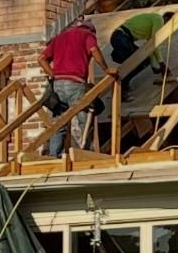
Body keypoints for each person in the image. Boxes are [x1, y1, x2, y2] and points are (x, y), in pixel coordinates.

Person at [37, 20, 119, 157]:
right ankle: (86, 155)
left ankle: (53, 156)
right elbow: (93, 49)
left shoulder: (59, 37)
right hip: (75, 83)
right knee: (84, 120)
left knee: (58, 123)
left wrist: (54, 75)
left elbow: (41, 59)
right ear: (92, 31)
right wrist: (106, 69)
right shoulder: (87, 34)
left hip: (57, 86)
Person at [109, 11, 174, 95]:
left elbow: (150, 47)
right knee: (138, 62)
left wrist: (154, 64)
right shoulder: (159, 20)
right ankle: (122, 88)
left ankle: (122, 84)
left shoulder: (153, 18)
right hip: (122, 38)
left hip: (119, 37)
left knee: (144, 60)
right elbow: (154, 43)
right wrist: (161, 64)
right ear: (167, 20)